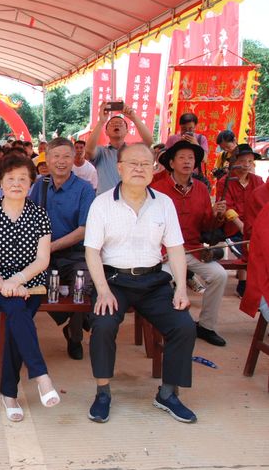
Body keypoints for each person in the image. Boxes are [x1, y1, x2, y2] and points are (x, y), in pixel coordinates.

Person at [84, 143, 197, 424]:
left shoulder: (164, 203)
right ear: (119, 168)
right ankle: (102, 392)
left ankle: (168, 393)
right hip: (114, 280)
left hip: (154, 281)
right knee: (103, 324)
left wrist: (181, 288)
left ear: (154, 169)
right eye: (132, 163)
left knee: (184, 325)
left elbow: (175, 248)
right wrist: (102, 291)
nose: (139, 168)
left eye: (145, 164)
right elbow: (92, 252)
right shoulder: (102, 203)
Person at [0, 154, 60, 422]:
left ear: (31, 183)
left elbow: (42, 259)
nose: (16, 183)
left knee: (16, 318)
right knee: (16, 311)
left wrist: (18, 280)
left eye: (23, 178)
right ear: (0, 182)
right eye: (10, 178)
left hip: (31, 283)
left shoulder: (39, 214)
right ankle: (41, 376)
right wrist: (4, 284)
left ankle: (9, 393)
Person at [151, 141, 228, 346]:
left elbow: (206, 226)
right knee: (163, 280)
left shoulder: (201, 188)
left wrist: (216, 215)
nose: (187, 162)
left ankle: (206, 326)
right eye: (182, 158)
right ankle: (170, 327)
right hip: (165, 252)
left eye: (191, 158)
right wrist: (156, 251)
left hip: (193, 249)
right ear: (172, 163)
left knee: (219, 275)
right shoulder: (157, 189)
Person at [28, 138, 95, 360]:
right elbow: (30, 219)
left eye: (66, 156)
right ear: (47, 159)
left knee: (83, 287)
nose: (61, 161)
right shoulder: (40, 185)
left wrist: (52, 246)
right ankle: (73, 319)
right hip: (43, 255)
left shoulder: (84, 188)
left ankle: (75, 335)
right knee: (37, 286)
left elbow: (84, 229)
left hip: (75, 254)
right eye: (56, 156)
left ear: (74, 159)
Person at [214, 144, 264, 297]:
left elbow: (264, 202)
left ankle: (257, 283)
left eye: (250, 161)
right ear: (233, 162)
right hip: (234, 227)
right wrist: (242, 226)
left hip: (255, 226)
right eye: (242, 161)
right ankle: (244, 284)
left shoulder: (257, 180)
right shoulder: (225, 181)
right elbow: (227, 207)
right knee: (247, 248)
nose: (246, 165)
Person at [85, 102, 153, 194]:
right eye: (112, 123)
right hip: (106, 200)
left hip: (130, 199)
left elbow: (149, 141)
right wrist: (101, 121)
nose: (116, 125)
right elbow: (88, 150)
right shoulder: (101, 152)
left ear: (127, 131)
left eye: (120, 123)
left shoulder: (133, 150)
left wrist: (134, 118)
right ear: (106, 132)